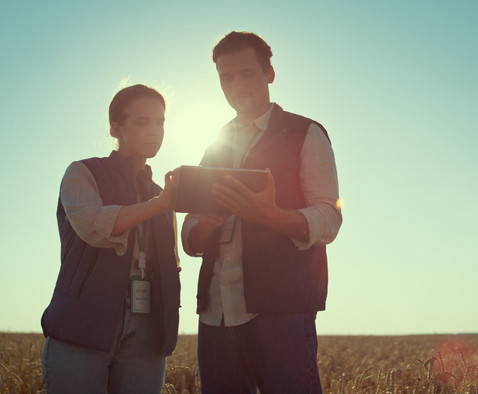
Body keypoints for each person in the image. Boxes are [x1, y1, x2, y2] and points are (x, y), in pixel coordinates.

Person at [182, 31, 342, 394]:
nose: (236, 84)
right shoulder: (214, 144)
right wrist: (204, 222)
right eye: (227, 77)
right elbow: (189, 233)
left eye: (247, 73)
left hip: (281, 310)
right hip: (215, 313)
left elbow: (329, 219)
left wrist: (269, 214)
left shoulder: (306, 132)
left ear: (269, 73)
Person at [41, 84, 181, 394]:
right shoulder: (82, 173)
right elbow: (95, 228)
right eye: (143, 122)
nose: (155, 131)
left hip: (147, 333)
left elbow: (172, 262)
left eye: (160, 122)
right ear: (116, 128)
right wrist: (158, 205)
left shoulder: (162, 195)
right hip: (82, 327)